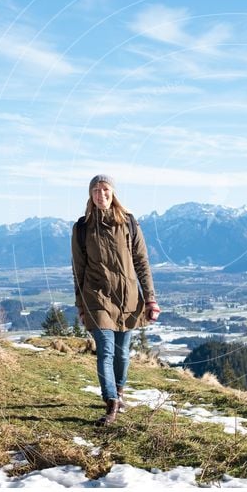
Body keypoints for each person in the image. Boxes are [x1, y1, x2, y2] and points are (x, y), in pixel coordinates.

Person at [71, 174, 160, 426]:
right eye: (96, 190)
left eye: (105, 189)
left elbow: (142, 263)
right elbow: (78, 270)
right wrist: (81, 305)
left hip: (128, 298)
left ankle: (119, 393)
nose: (101, 194)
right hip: (96, 298)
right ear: (90, 195)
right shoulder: (82, 228)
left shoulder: (129, 223)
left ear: (113, 192)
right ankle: (110, 402)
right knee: (106, 351)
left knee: (122, 354)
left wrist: (150, 298)